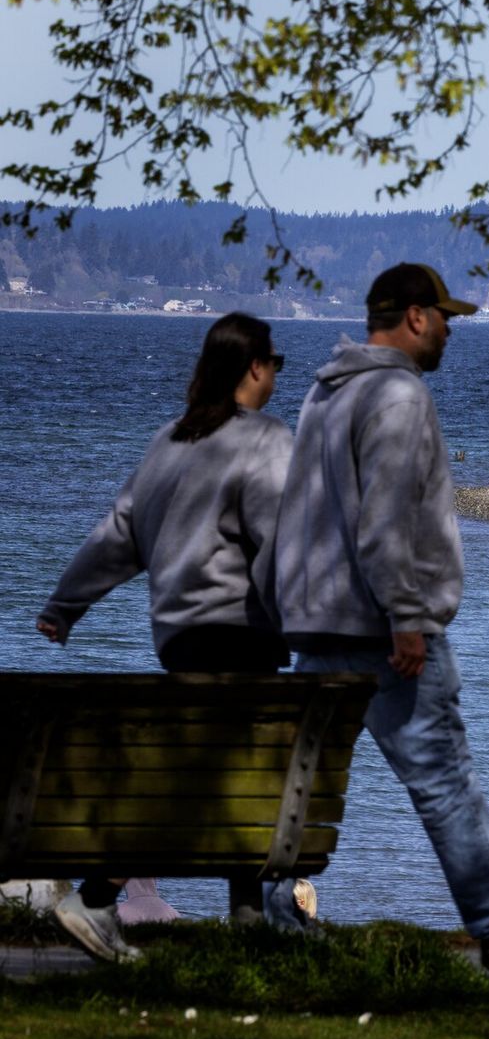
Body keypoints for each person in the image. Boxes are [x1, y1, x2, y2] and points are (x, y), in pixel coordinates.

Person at [266, 263, 489, 975]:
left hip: (316, 623)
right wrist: (407, 617)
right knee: (445, 781)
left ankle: (270, 915)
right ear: (415, 318)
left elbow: (301, 514)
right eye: (445, 316)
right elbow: (385, 523)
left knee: (306, 779)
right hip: (381, 632)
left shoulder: (323, 395)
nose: (451, 329)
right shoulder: (398, 396)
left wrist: (288, 608)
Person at [35, 311, 292, 963]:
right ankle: (96, 896)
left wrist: (65, 607)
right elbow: (285, 544)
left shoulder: (167, 441)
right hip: (243, 635)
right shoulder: (264, 440)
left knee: (228, 771)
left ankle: (247, 918)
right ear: (255, 367)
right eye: (275, 366)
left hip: (179, 637)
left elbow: (118, 534)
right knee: (214, 776)